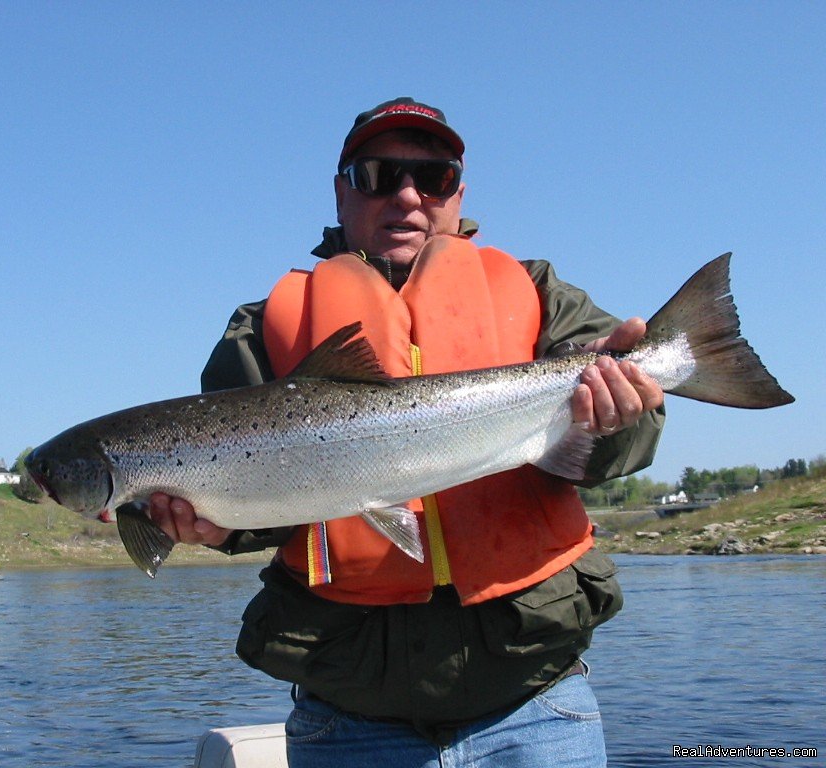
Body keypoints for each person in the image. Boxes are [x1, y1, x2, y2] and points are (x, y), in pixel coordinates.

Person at [149, 98, 665, 766]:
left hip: (537, 709)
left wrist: (619, 415)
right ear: (341, 190)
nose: (407, 196)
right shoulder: (263, 328)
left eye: (433, 177)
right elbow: (255, 504)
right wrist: (218, 525)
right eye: (377, 174)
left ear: (458, 192)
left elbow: (631, 439)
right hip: (348, 717)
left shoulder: (539, 294)